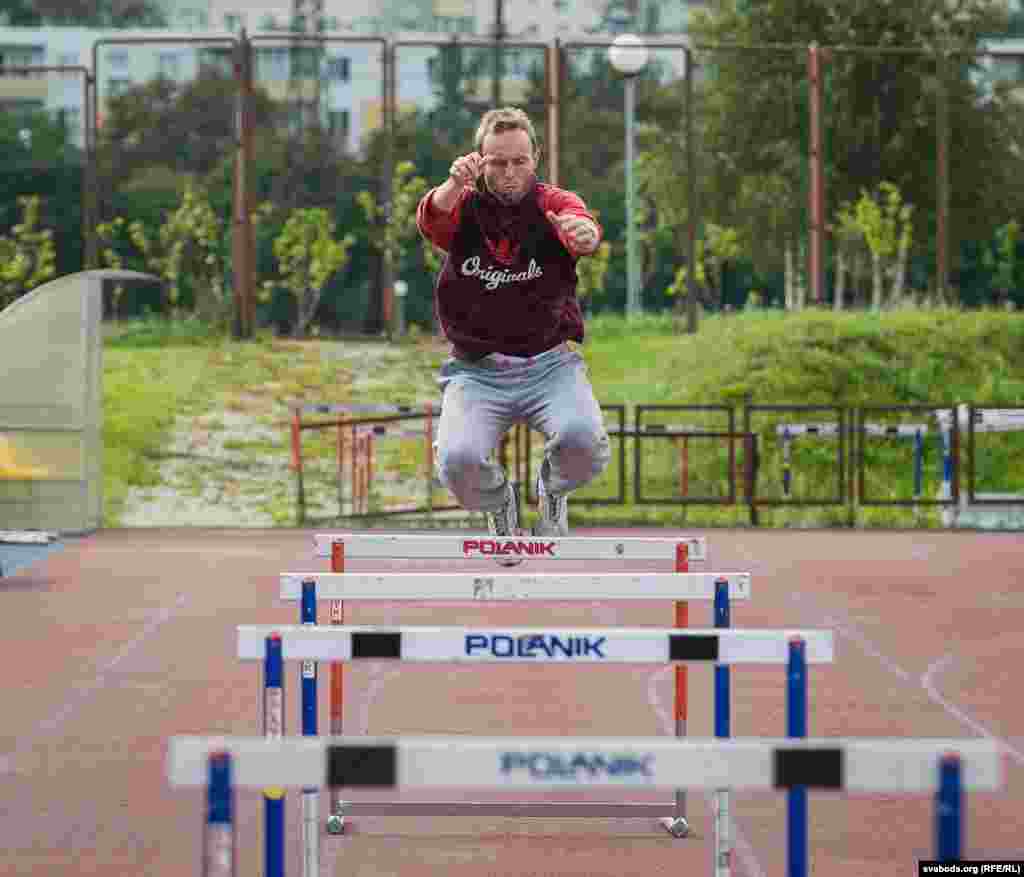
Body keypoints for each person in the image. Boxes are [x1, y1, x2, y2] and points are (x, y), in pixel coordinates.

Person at [416, 107, 611, 561]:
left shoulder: (551, 203)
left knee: (586, 441)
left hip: (549, 364)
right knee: (456, 461)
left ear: (535, 158)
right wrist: (452, 184)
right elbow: (430, 221)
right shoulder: (463, 204)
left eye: (518, 161)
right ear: (479, 162)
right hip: (476, 371)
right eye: (497, 162)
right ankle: (500, 503)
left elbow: (581, 225)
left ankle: (552, 490)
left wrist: (585, 234)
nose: (508, 173)